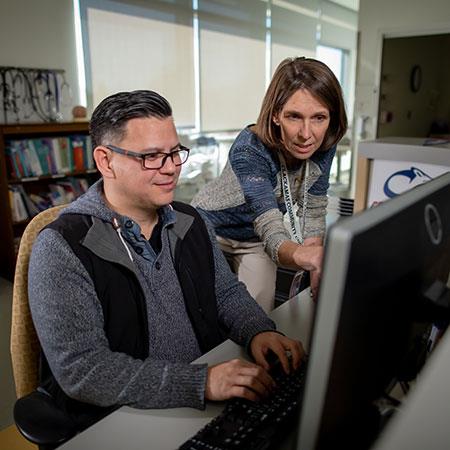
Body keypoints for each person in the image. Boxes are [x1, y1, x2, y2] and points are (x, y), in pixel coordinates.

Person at [28, 90, 303, 432]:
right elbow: (83, 370)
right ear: (105, 160)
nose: (172, 168)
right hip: (124, 417)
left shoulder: (191, 220)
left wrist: (258, 330)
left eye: (174, 152)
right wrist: (199, 383)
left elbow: (226, 293)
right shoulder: (62, 247)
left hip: (202, 396)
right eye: (152, 157)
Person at [192, 57, 348, 311]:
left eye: (319, 118)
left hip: (254, 239)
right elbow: (269, 224)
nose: (306, 134)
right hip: (211, 229)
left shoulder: (323, 143)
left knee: (259, 315)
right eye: (294, 117)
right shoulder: (250, 149)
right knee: (208, 312)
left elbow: (315, 205)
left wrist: (316, 263)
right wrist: (306, 256)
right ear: (275, 115)